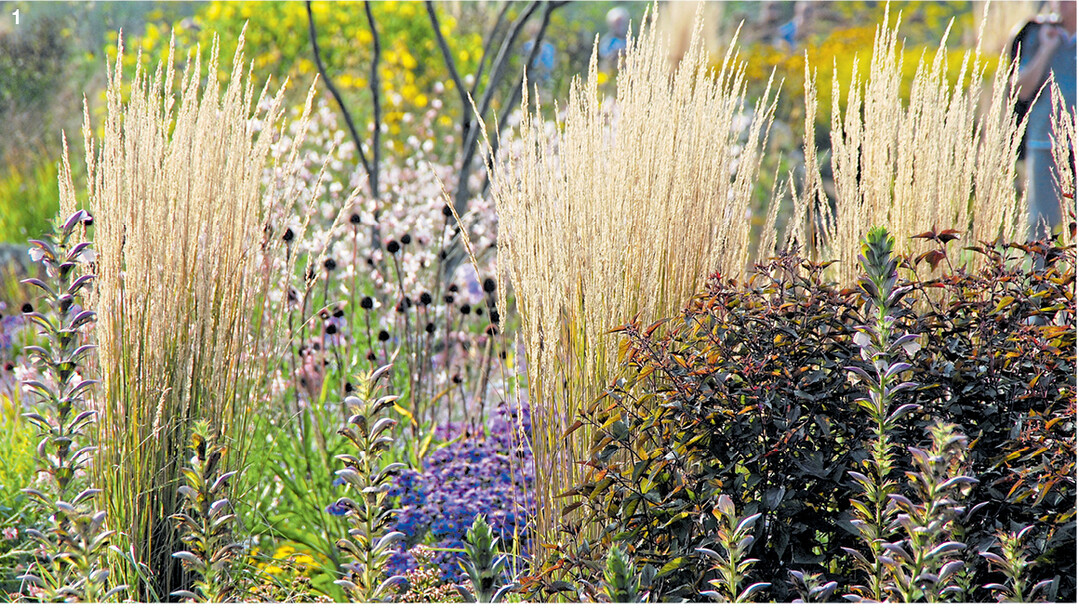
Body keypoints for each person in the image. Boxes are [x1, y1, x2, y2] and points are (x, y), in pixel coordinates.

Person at [1015, 0, 1076, 239]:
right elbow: (1020, 91)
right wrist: (1046, 48)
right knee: (1041, 225)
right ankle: (1039, 276)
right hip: (1044, 143)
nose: (1061, 4)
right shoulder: (1036, 34)